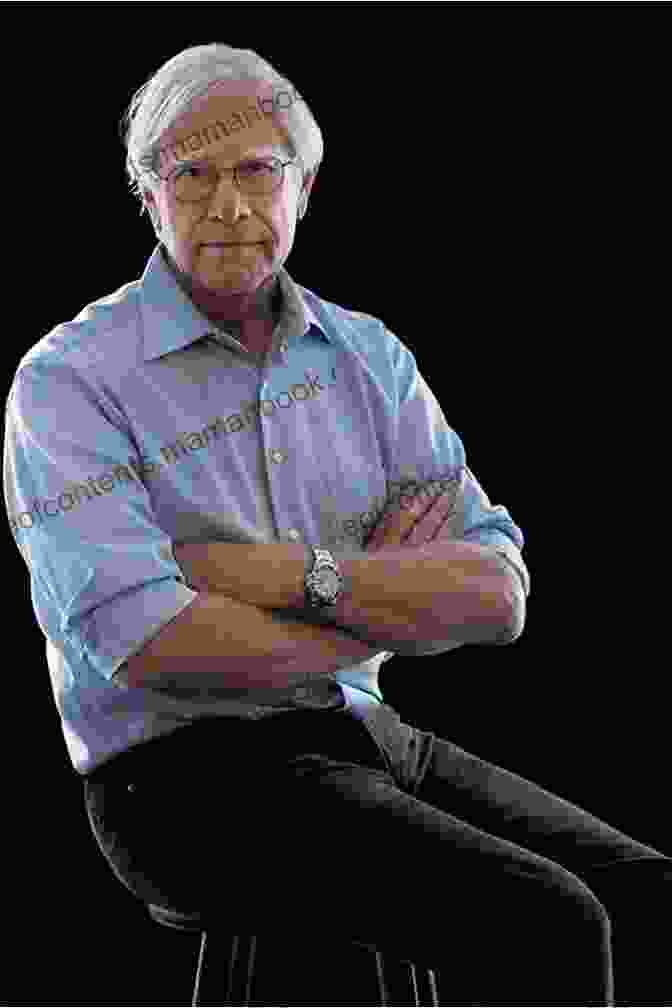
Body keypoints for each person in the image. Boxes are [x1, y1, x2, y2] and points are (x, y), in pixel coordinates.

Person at [3, 43, 670, 1006]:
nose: (228, 205)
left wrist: (264, 577)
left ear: (304, 185)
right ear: (147, 194)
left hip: (363, 731)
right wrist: (386, 604)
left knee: (650, 899)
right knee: (547, 920)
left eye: (257, 171)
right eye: (191, 175)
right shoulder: (68, 381)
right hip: (180, 782)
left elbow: (499, 592)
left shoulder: (369, 359)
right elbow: (143, 639)